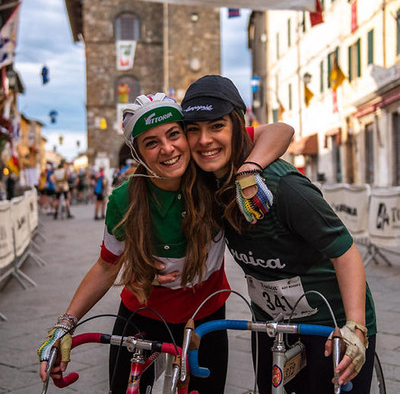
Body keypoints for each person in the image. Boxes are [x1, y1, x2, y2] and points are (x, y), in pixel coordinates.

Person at [38, 93, 294, 394]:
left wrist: (249, 168)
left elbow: (282, 130)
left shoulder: (211, 172)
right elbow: (107, 266)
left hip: (205, 314)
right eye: (151, 142)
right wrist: (65, 324)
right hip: (143, 313)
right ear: (138, 154)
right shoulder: (124, 199)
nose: (168, 148)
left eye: (174, 134)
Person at [181, 74, 377, 394]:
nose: (204, 140)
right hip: (271, 326)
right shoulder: (206, 182)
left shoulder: (282, 187)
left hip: (331, 324)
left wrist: (355, 327)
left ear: (236, 126)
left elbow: (344, 252)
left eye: (216, 126)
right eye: (194, 130)